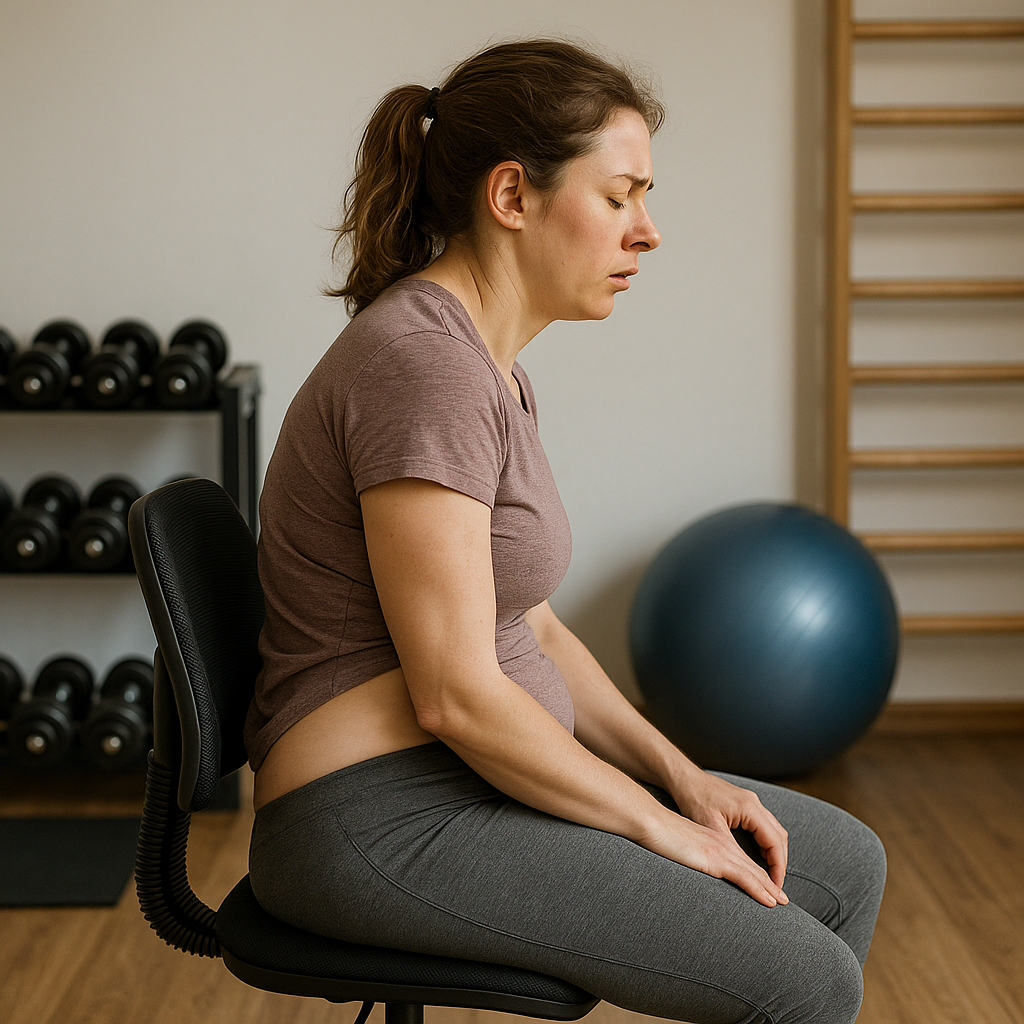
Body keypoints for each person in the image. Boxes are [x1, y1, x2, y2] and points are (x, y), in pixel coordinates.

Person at [244, 38, 886, 1024]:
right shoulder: (426, 368)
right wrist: (654, 828)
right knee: (803, 978)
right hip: (375, 815)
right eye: (621, 195)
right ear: (512, 197)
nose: (648, 232)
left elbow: (531, 629)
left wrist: (684, 780)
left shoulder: (485, 365)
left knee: (842, 860)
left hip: (452, 783)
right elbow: (457, 696)